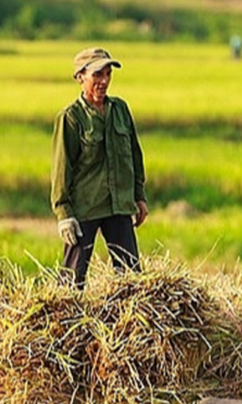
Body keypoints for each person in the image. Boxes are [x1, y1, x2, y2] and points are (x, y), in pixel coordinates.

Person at [50, 47, 149, 290]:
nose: (104, 81)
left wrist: (139, 196)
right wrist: (64, 214)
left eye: (107, 74)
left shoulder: (120, 110)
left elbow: (134, 155)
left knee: (131, 279)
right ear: (80, 77)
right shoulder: (71, 118)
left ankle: (129, 326)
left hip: (119, 205)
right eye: (97, 75)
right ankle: (65, 325)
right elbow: (62, 168)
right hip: (85, 208)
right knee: (72, 283)